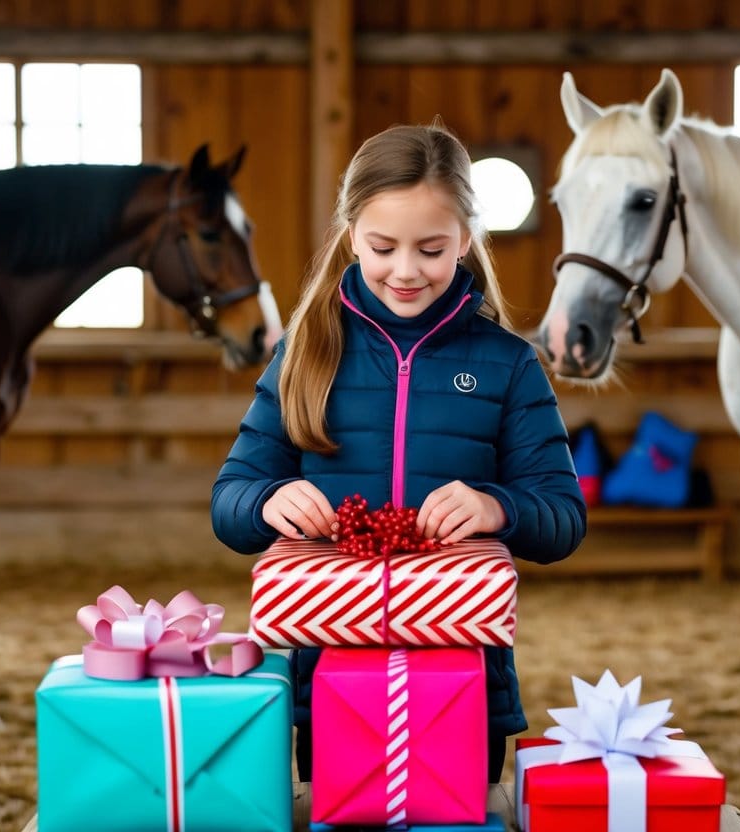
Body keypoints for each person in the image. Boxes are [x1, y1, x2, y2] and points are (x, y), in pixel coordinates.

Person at [211, 122, 586, 783]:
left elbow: (561, 516)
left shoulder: (508, 365)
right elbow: (229, 501)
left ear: (465, 239)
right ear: (351, 231)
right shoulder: (303, 355)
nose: (406, 270)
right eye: (383, 246)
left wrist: (496, 506)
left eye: (432, 249)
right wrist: (267, 498)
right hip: (326, 683)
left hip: (464, 686)